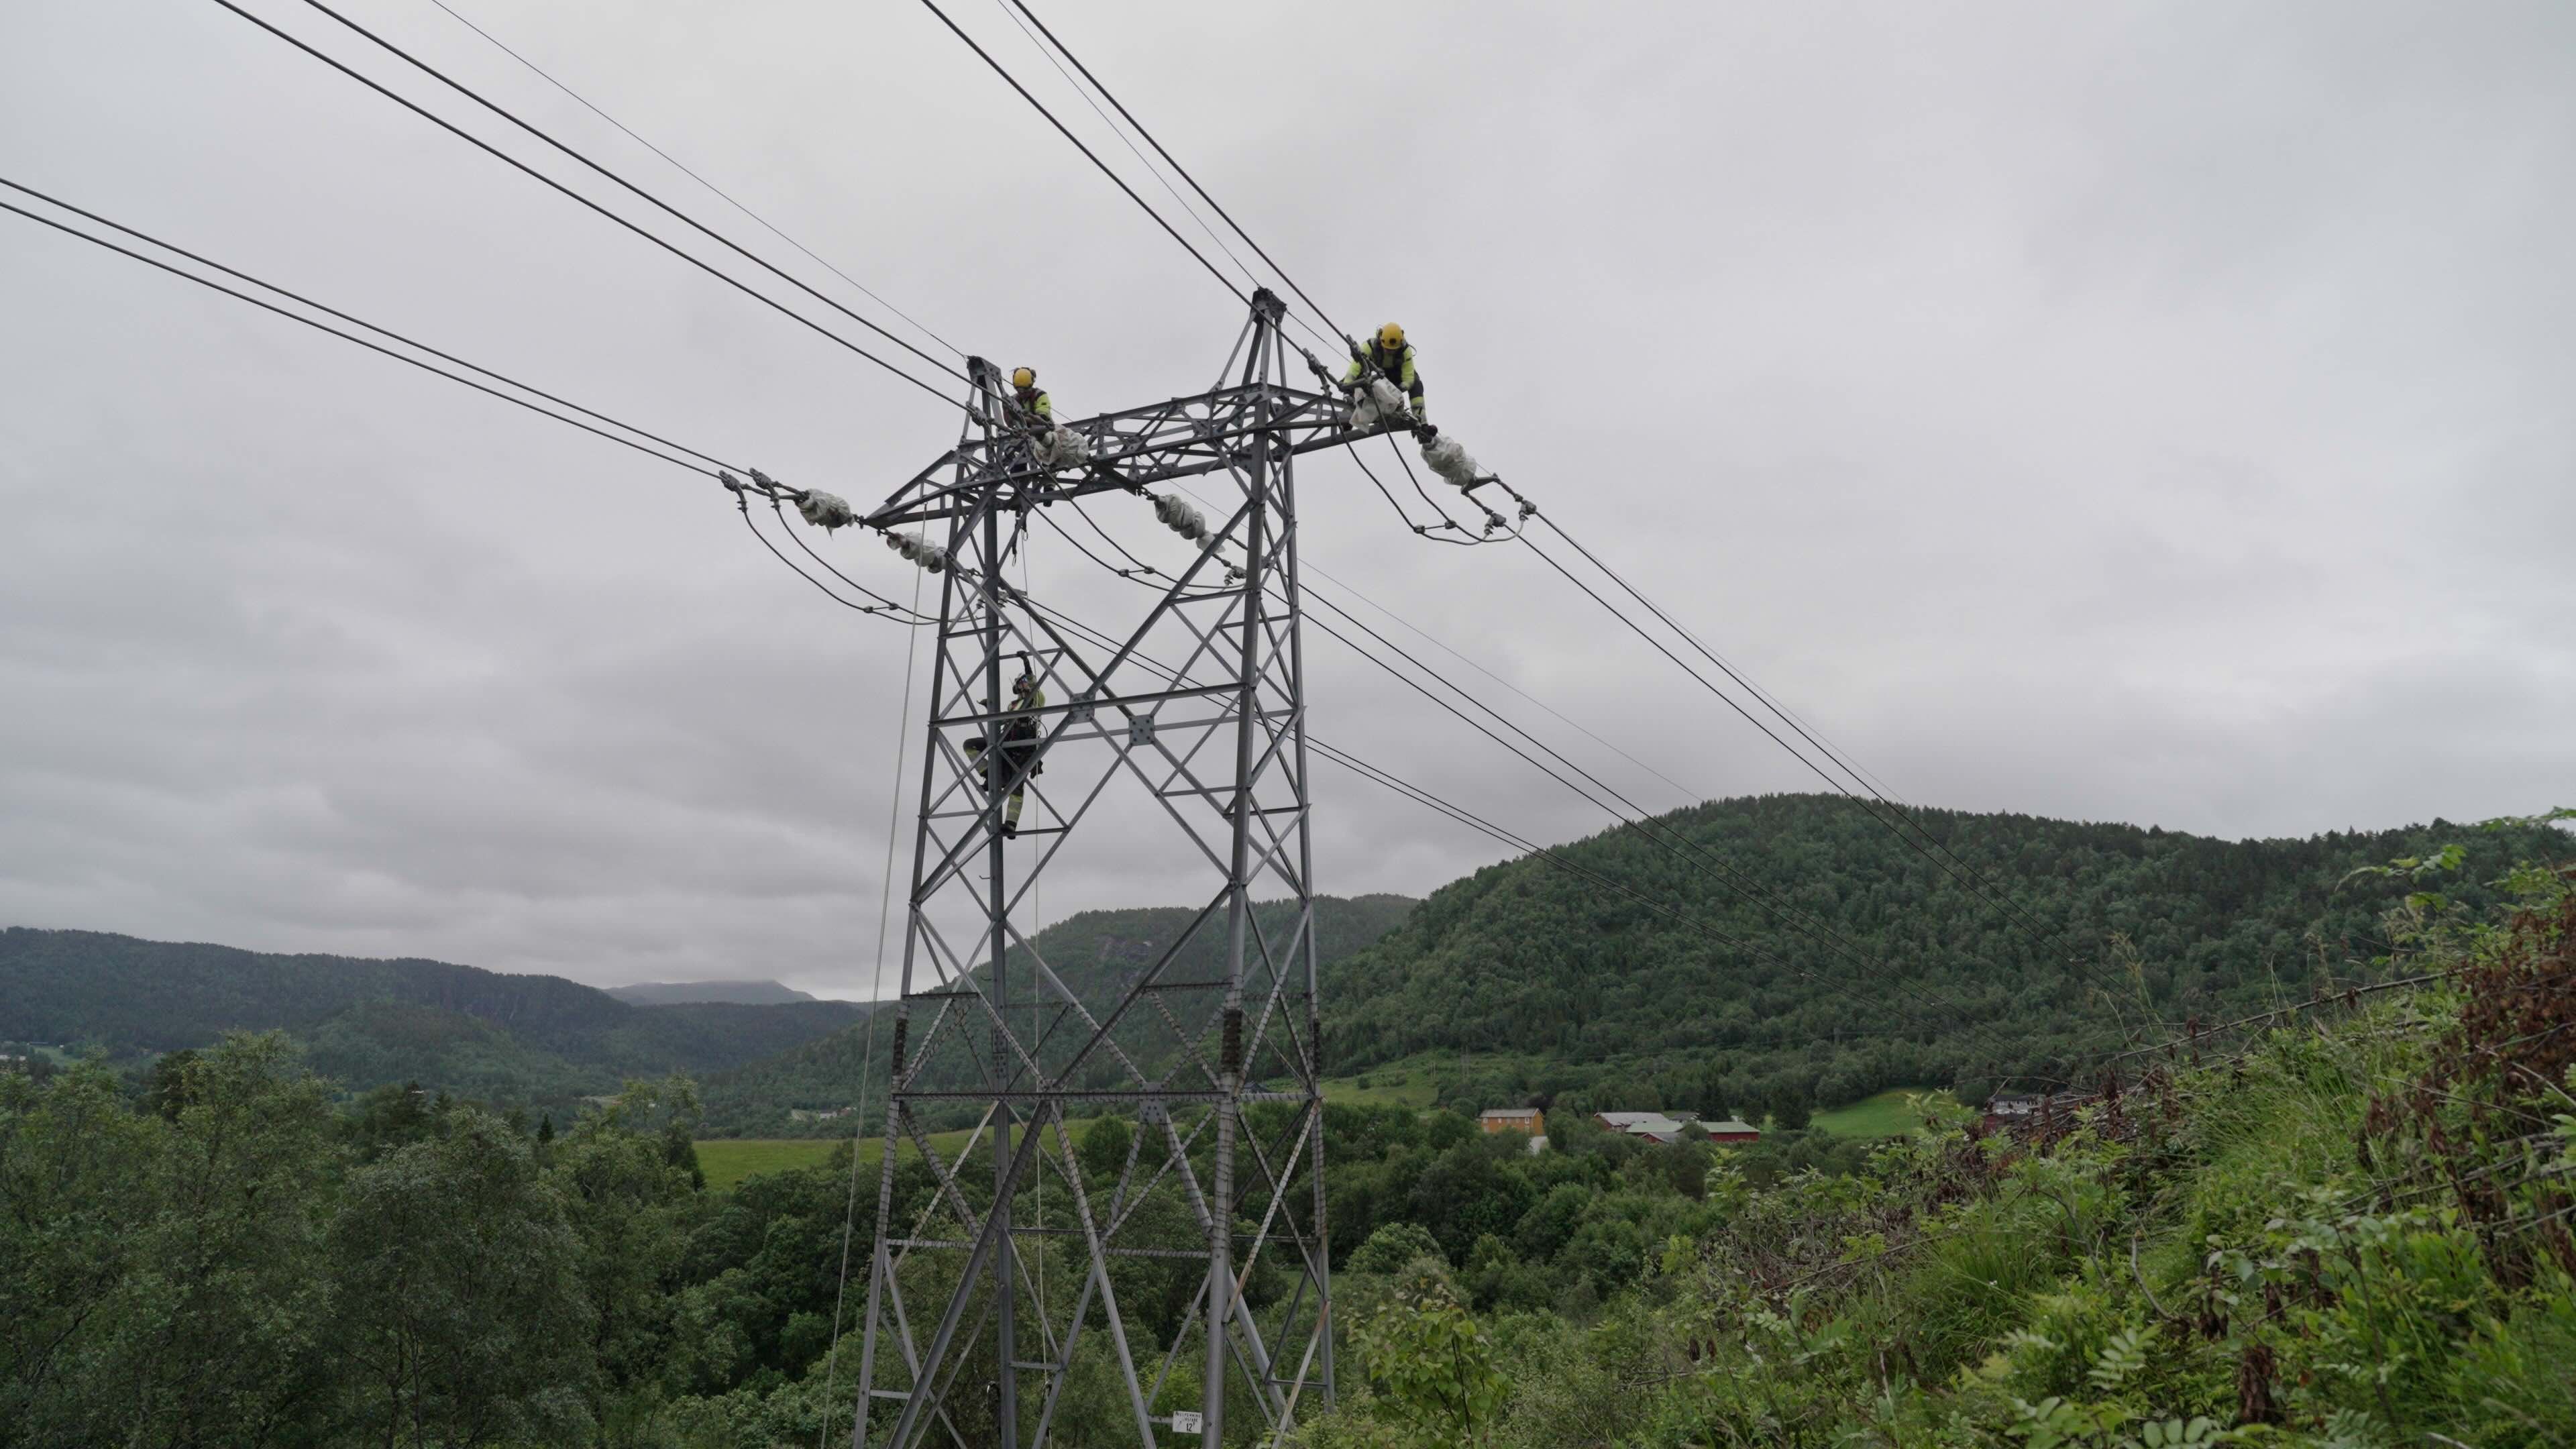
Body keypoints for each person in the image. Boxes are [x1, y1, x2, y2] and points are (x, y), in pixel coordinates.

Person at [964, 665, 1046, 837]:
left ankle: (1010, 825)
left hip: (1026, 747)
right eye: (1021, 682)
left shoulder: (1037, 698)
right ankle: (990, 775)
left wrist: (1026, 663)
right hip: (1007, 741)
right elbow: (1002, 721)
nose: (1024, 684)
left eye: (1025, 681)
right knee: (970, 745)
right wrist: (990, 711)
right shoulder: (1013, 705)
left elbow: (1034, 683)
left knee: (1017, 786)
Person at [1342, 322, 1425, 429]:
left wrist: (1395, 391)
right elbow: (1354, 370)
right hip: (1371, 379)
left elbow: (1409, 379)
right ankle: (1349, 412)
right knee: (1358, 377)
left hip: (1392, 383)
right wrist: (1346, 392)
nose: (1390, 352)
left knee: (1416, 382)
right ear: (1381, 341)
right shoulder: (1369, 346)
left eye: (1393, 350)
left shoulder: (1405, 351)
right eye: (1387, 349)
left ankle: (1422, 422)